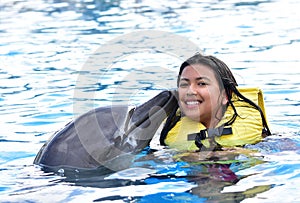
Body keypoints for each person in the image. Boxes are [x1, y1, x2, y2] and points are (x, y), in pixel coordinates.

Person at [159, 53, 271, 151]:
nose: (190, 91)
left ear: (225, 95)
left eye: (202, 83)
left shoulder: (263, 142)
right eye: (184, 84)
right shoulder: (169, 142)